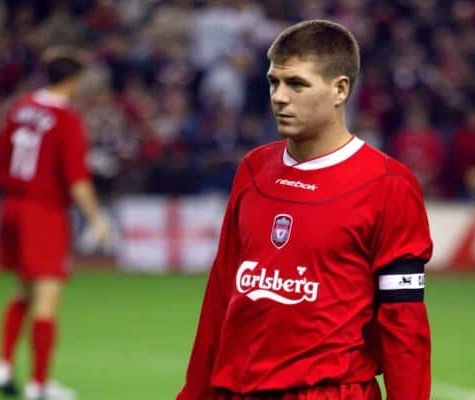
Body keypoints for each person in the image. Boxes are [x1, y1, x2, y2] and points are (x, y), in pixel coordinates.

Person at [176, 20, 433, 400]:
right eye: (273, 82)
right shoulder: (254, 169)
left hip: (329, 391)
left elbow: (403, 323)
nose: (279, 97)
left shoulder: (388, 185)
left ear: (339, 89)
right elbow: (220, 296)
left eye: (297, 84)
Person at [0, 47, 110, 400]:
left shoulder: (19, 107)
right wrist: (96, 218)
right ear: (72, 81)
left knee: (22, 292)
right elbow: (77, 180)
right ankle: (39, 386)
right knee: (47, 297)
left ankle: (3, 365)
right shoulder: (66, 119)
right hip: (43, 211)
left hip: (10, 205)